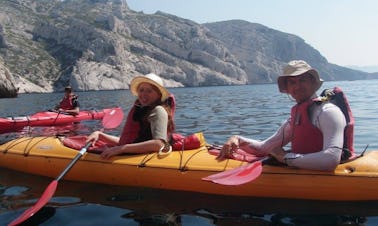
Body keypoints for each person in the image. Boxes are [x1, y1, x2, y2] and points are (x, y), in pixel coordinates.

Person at [218, 60, 354, 171]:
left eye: (302, 80)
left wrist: (286, 158)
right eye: (292, 82)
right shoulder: (294, 120)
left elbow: (331, 160)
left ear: (313, 82)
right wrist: (237, 139)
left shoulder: (328, 113)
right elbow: (264, 148)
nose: (297, 86)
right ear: (287, 89)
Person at [86, 73, 175, 159]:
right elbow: (127, 142)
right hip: (135, 154)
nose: (144, 94)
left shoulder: (158, 111)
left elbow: (159, 144)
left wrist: (121, 149)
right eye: (141, 90)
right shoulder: (144, 110)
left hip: (144, 158)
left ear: (159, 94)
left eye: (149, 91)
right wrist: (100, 135)